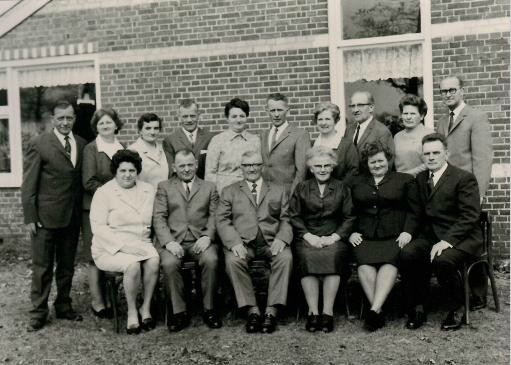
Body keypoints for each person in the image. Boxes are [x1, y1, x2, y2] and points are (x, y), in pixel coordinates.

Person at [400, 133, 482, 331]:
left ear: (446, 153)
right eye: (426, 153)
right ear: (422, 156)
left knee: (442, 259)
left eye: (436, 152)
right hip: (431, 236)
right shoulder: (419, 180)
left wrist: (447, 241)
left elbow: (470, 216)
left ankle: (457, 307)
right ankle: (418, 306)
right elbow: (415, 212)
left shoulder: (463, 178)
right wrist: (408, 232)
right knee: (408, 253)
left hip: (462, 238)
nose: (431, 157)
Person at [21, 100, 87, 331]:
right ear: (53, 120)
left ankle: (64, 305)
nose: (65, 122)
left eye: (69, 118)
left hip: (71, 217)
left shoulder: (81, 143)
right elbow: (28, 184)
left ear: (74, 119)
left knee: (67, 265)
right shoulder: (39, 144)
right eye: (61, 118)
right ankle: (38, 312)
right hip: (44, 219)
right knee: (42, 267)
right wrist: (30, 217)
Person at [216, 150, 293, 334]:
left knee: (285, 258)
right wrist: (234, 242)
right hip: (243, 243)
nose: (252, 169)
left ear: (262, 166)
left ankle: (271, 311)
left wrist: (282, 238)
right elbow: (222, 220)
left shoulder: (279, 188)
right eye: (247, 165)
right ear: (241, 167)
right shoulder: (230, 191)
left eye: (256, 164)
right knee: (233, 261)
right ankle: (252, 310)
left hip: (270, 241)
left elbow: (287, 218)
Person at [90, 150, 160, 334]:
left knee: (154, 261)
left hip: (141, 242)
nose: (128, 175)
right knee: (132, 265)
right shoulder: (104, 192)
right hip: (110, 247)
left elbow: (156, 218)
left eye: (132, 170)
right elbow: (98, 228)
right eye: (123, 171)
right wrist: (124, 247)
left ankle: (145, 308)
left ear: (137, 171)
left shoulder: (148, 189)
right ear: (115, 171)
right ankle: (131, 312)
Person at [348, 142, 416, 331]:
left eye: (380, 161)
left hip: (394, 235)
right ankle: (377, 310)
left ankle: (374, 311)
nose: (377, 165)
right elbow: (349, 211)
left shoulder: (404, 180)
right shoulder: (356, 182)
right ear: (366, 164)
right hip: (364, 236)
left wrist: (407, 231)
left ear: (388, 160)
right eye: (372, 162)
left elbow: (414, 211)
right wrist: (351, 232)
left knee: (389, 263)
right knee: (364, 265)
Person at [437, 76, 493, 310]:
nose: (448, 94)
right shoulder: (441, 121)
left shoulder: (476, 117)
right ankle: (457, 291)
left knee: (472, 241)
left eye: (452, 90)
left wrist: (478, 194)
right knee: (453, 238)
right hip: (448, 190)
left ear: (462, 91)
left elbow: (482, 158)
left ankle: (478, 295)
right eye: (443, 92)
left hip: (468, 191)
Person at [153, 149, 221, 332]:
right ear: (174, 167)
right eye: (181, 165)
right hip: (174, 240)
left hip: (200, 239)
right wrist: (168, 242)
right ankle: (179, 312)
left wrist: (208, 236)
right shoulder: (164, 186)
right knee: (169, 263)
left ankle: (209, 309)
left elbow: (215, 215)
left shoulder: (209, 187)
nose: (186, 169)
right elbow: (159, 217)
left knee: (211, 260)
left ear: (197, 165)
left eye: (190, 164)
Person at [289, 146, 355, 333]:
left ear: (333, 167)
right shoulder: (302, 188)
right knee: (306, 256)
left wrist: (334, 237)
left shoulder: (342, 188)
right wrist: (308, 236)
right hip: (307, 236)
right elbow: (294, 215)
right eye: (318, 166)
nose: (323, 169)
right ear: (311, 168)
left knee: (333, 255)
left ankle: (327, 312)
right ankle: (313, 311)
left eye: (327, 165)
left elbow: (350, 217)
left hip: (334, 237)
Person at [82, 108, 125, 319]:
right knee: (95, 254)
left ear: (116, 125)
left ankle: (111, 299)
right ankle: (98, 301)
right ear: (96, 127)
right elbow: (89, 181)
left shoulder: (121, 147)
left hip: (116, 211)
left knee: (112, 251)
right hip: (94, 208)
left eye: (109, 122)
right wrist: (112, 196)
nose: (105, 126)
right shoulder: (91, 149)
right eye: (101, 124)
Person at [205, 97, 261, 193]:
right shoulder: (217, 140)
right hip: (223, 193)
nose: (238, 120)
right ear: (227, 118)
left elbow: (259, 171)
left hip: (248, 193)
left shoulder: (254, 140)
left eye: (242, 116)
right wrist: (214, 196)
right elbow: (210, 173)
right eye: (234, 116)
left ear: (247, 117)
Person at [261, 93, 310, 193]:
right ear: (267, 111)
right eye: (272, 110)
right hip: (265, 195)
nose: (276, 114)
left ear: (287, 111)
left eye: (280, 110)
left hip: (287, 195)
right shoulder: (263, 135)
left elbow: (302, 172)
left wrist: (293, 196)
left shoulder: (300, 134)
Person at [163, 99, 215, 179]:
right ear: (179, 117)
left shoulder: (210, 138)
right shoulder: (170, 140)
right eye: (185, 116)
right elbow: (171, 170)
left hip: (205, 186)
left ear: (198, 115)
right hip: (181, 187)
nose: (189, 120)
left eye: (192, 116)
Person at [344, 91, 395, 166]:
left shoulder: (382, 131)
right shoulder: (349, 129)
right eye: (353, 106)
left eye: (360, 105)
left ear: (371, 107)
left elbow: (387, 163)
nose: (355, 110)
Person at [312, 102, 359, 181]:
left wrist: (338, 191)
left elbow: (353, 173)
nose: (323, 123)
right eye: (320, 119)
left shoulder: (347, 145)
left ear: (336, 121)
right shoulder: (312, 145)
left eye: (327, 119)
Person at [129, 113, 172, 189]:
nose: (152, 132)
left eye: (156, 128)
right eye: (148, 128)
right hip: (143, 196)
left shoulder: (163, 148)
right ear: (140, 131)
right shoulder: (132, 151)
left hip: (163, 196)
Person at [394, 95, 434, 176]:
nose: (408, 117)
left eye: (412, 113)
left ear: (422, 116)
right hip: (400, 183)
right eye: (405, 113)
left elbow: (432, 162)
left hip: (422, 182)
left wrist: (407, 175)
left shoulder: (430, 134)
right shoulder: (397, 137)